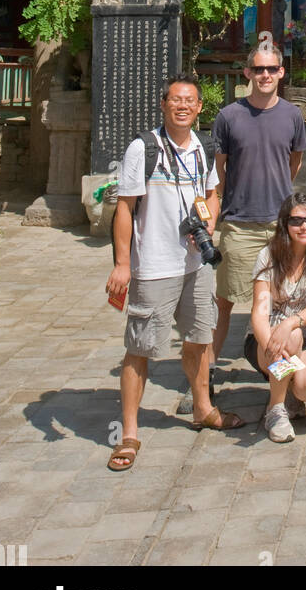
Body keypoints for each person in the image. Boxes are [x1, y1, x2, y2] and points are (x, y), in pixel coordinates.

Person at [105, 74, 245, 470]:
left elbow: (212, 193)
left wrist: (209, 227)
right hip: (154, 265)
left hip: (195, 264)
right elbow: (125, 207)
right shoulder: (143, 148)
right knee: (140, 346)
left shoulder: (201, 147)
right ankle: (129, 431)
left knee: (200, 338)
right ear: (164, 104)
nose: (183, 106)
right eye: (176, 100)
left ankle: (203, 408)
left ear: (200, 108)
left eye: (190, 101)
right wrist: (122, 263)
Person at [210, 42, 306, 380]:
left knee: (282, 301)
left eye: (271, 69)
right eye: (258, 69)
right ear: (248, 72)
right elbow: (219, 169)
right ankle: (205, 374)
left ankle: (280, 374)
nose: (265, 75)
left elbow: (294, 162)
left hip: (281, 224)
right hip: (240, 224)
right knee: (225, 300)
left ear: (281, 72)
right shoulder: (229, 116)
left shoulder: (292, 115)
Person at [250, 194, 306, 443]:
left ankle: (291, 392)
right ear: (284, 224)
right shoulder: (268, 256)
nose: (305, 226)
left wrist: (290, 322)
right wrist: (272, 347)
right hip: (265, 340)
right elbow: (259, 311)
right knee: (290, 337)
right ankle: (276, 411)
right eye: (297, 221)